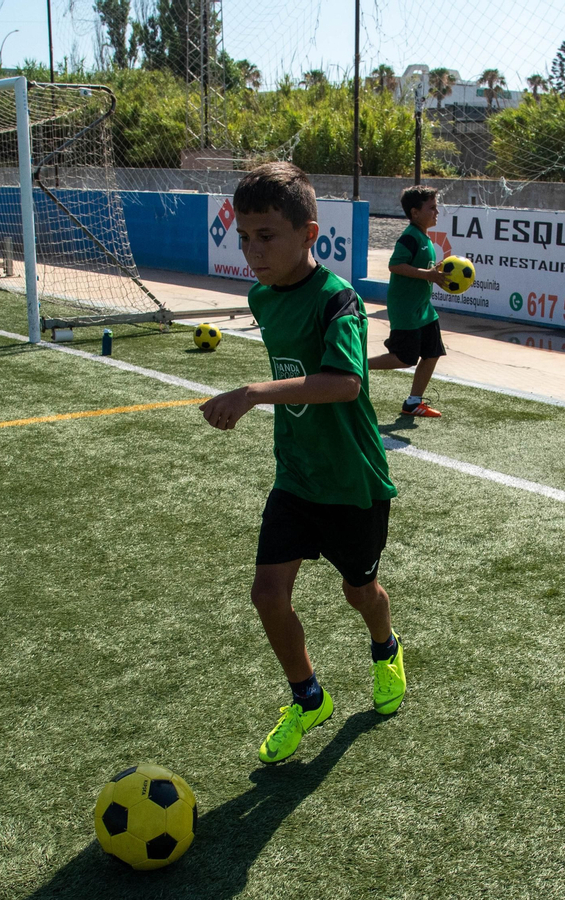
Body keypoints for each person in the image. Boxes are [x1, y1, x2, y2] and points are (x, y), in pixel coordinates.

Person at [199, 162, 405, 763]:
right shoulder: (262, 297)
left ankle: (386, 648)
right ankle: (308, 697)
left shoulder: (339, 299)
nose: (252, 251)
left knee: (360, 593)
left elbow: (345, 383)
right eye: (243, 237)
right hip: (296, 474)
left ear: (309, 233)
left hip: (352, 481)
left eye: (266, 236)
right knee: (267, 595)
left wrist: (252, 393)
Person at [369, 185, 450, 417]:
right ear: (415, 213)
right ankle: (357, 365)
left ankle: (413, 403)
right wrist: (428, 275)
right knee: (404, 359)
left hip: (424, 309)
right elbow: (395, 265)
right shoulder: (409, 237)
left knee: (433, 353)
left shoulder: (424, 237)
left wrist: (434, 273)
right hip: (406, 309)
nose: (436, 212)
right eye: (431, 208)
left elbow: (421, 269)